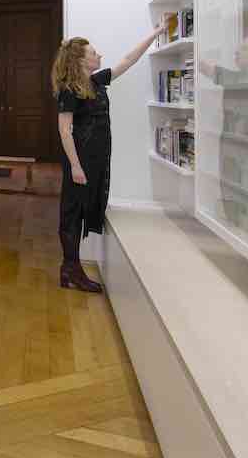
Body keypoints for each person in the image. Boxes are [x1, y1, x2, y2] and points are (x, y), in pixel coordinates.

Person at [52, 24, 165, 292]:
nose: (99, 54)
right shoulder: (69, 90)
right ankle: (70, 269)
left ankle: (71, 270)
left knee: (82, 211)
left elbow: (128, 60)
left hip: (97, 158)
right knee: (72, 213)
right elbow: (64, 130)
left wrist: (155, 33)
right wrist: (76, 166)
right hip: (81, 161)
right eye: (93, 52)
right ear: (81, 59)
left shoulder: (96, 81)